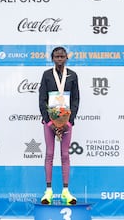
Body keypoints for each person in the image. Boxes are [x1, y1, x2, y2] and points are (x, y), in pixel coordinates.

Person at [39, 46, 80, 205]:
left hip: (67, 123)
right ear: (52, 58)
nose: (59, 59)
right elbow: (42, 100)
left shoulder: (72, 76)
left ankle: (65, 191)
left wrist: (68, 122)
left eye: (62, 56)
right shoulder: (47, 75)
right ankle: (48, 191)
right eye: (56, 56)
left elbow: (76, 100)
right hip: (49, 122)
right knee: (49, 154)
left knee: (64, 155)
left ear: (66, 58)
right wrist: (49, 121)